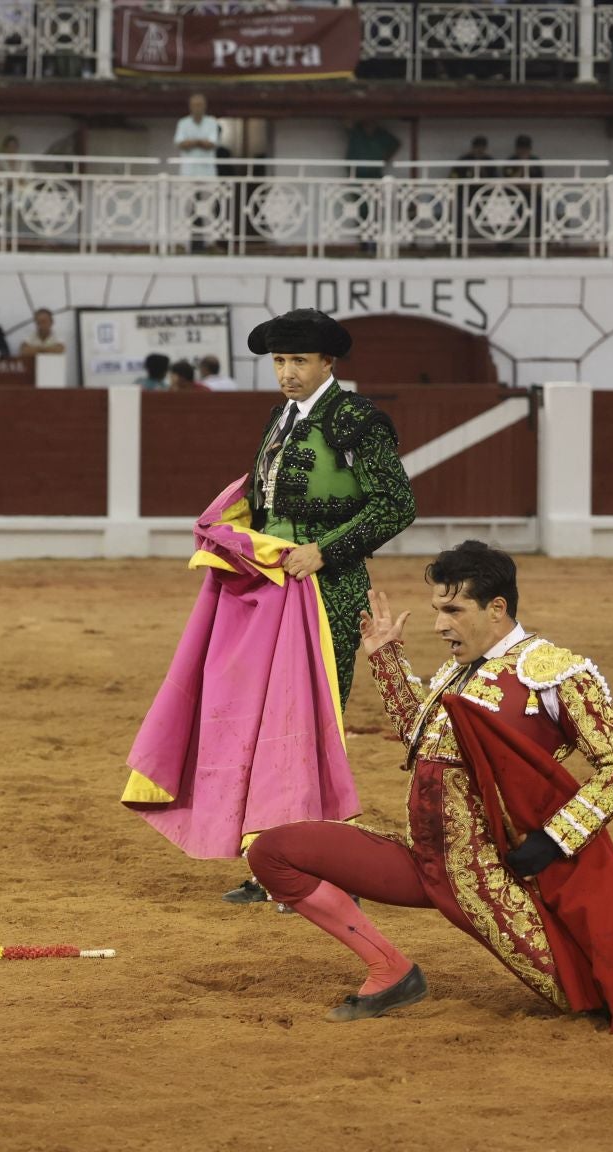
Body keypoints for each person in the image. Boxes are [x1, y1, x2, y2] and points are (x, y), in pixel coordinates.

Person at [246, 543, 613, 1028]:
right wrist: (386, 660)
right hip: (425, 861)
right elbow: (424, 742)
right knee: (274, 852)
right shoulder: (454, 670)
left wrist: (557, 840)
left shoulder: (554, 672)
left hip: (492, 878)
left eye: (452, 609)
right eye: (438, 608)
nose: (440, 623)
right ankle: (391, 970)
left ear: (496, 609)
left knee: (593, 999)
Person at [222, 309, 418, 908]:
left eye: (298, 361)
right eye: (279, 362)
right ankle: (276, 861)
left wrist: (325, 551)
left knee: (312, 721)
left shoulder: (355, 420)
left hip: (327, 589)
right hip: (274, 587)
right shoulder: (282, 417)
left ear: (327, 363)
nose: (286, 373)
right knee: (271, 721)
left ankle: (326, 867)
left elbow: (396, 506)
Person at [174, 93, 219, 180]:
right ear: (190, 106)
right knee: (185, 193)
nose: (197, 108)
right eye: (195, 105)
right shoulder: (183, 123)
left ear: (205, 106)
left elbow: (211, 144)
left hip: (207, 171)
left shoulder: (212, 122)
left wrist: (192, 142)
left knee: (210, 193)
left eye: (200, 105)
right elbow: (180, 144)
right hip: (188, 171)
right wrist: (201, 142)